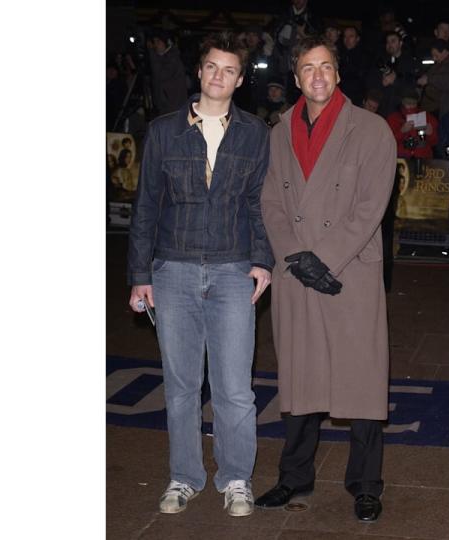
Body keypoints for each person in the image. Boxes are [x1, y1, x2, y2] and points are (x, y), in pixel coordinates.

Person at [127, 31, 273, 518]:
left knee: (234, 387)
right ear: (199, 71)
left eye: (229, 70)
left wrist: (262, 261)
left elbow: (259, 204)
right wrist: (139, 274)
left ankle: (235, 478)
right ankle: (184, 477)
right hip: (173, 270)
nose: (218, 76)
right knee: (181, 385)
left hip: (232, 269)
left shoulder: (255, 133)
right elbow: (146, 205)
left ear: (240, 79)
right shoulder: (165, 130)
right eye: (212, 66)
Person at [257, 35, 396, 523]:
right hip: (298, 272)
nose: (317, 76)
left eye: (326, 67)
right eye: (308, 68)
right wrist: (296, 256)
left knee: (361, 381)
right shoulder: (279, 132)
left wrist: (326, 259)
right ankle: (294, 478)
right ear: (296, 79)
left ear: (338, 75)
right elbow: (270, 202)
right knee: (299, 379)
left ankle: (365, 484)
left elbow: (370, 207)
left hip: (348, 271)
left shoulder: (372, 129)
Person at [147, 31, 189, 117]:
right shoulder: (164, 58)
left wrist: (152, 53)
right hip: (167, 106)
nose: (155, 45)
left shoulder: (172, 58)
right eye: (154, 42)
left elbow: (160, 75)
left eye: (158, 42)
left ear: (166, 42)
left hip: (172, 107)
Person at [337, 26, 370, 107]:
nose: (347, 39)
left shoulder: (364, 55)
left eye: (351, 36)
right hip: (340, 97)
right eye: (345, 36)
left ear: (357, 38)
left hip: (356, 99)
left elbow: (359, 75)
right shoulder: (339, 53)